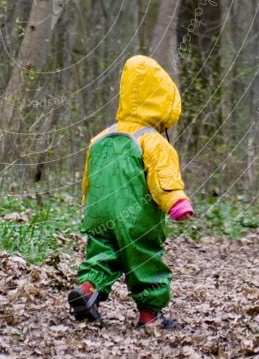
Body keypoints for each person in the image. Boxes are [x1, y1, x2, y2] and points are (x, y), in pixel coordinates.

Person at [68, 54, 193, 329]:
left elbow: (89, 177)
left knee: (103, 254)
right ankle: (150, 316)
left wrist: (87, 203)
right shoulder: (153, 141)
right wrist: (177, 202)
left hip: (99, 213)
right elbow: (164, 177)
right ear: (164, 103)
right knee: (145, 259)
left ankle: (88, 290)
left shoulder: (100, 138)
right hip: (135, 219)